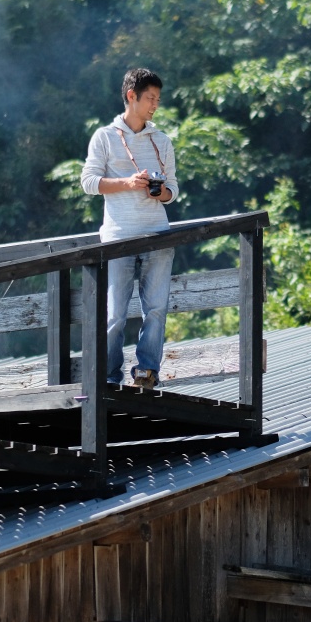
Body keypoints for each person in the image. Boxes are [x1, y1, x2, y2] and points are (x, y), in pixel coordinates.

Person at [80, 68, 179, 389]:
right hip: (117, 237)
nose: (155, 105)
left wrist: (159, 191)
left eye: (158, 100)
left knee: (157, 310)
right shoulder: (104, 137)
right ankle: (109, 379)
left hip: (158, 234)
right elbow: (89, 183)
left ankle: (147, 372)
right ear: (131, 96)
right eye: (150, 98)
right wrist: (127, 182)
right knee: (113, 316)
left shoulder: (161, 140)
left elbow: (173, 191)